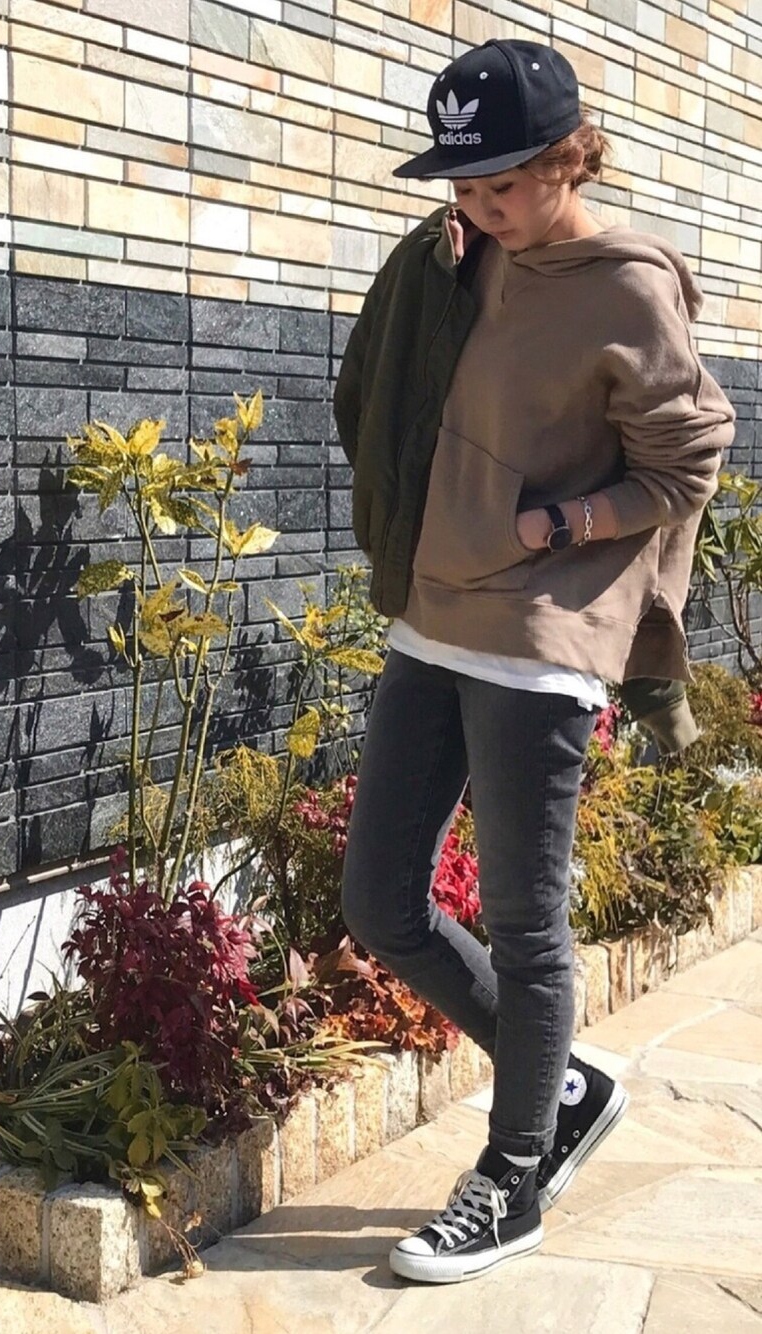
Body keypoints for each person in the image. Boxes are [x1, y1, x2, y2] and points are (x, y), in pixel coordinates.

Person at [333, 37, 736, 1285]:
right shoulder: (467, 256)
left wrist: (561, 524)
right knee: (379, 900)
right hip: (431, 610)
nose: (475, 204)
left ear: (570, 157)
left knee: (523, 919)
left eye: (499, 182)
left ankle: (512, 1177)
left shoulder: (628, 288)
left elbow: (686, 459)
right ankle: (559, 1083)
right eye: (460, 182)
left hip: (539, 636)